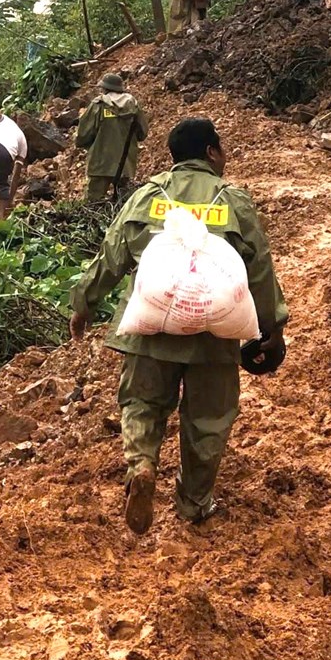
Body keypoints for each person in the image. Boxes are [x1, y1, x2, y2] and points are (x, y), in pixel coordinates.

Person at [69, 117, 288, 535]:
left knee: (141, 404)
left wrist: (84, 304)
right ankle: (193, 503)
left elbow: (111, 255)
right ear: (210, 152)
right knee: (208, 419)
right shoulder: (234, 200)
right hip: (214, 334)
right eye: (221, 149)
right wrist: (271, 325)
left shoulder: (148, 195)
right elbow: (258, 268)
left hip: (149, 328)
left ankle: (142, 465)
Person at [75, 72, 150, 202]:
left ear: (104, 88)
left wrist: (83, 143)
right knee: (124, 203)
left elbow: (84, 134)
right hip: (125, 163)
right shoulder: (133, 105)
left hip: (101, 163)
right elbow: (142, 132)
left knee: (94, 203)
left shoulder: (98, 105)